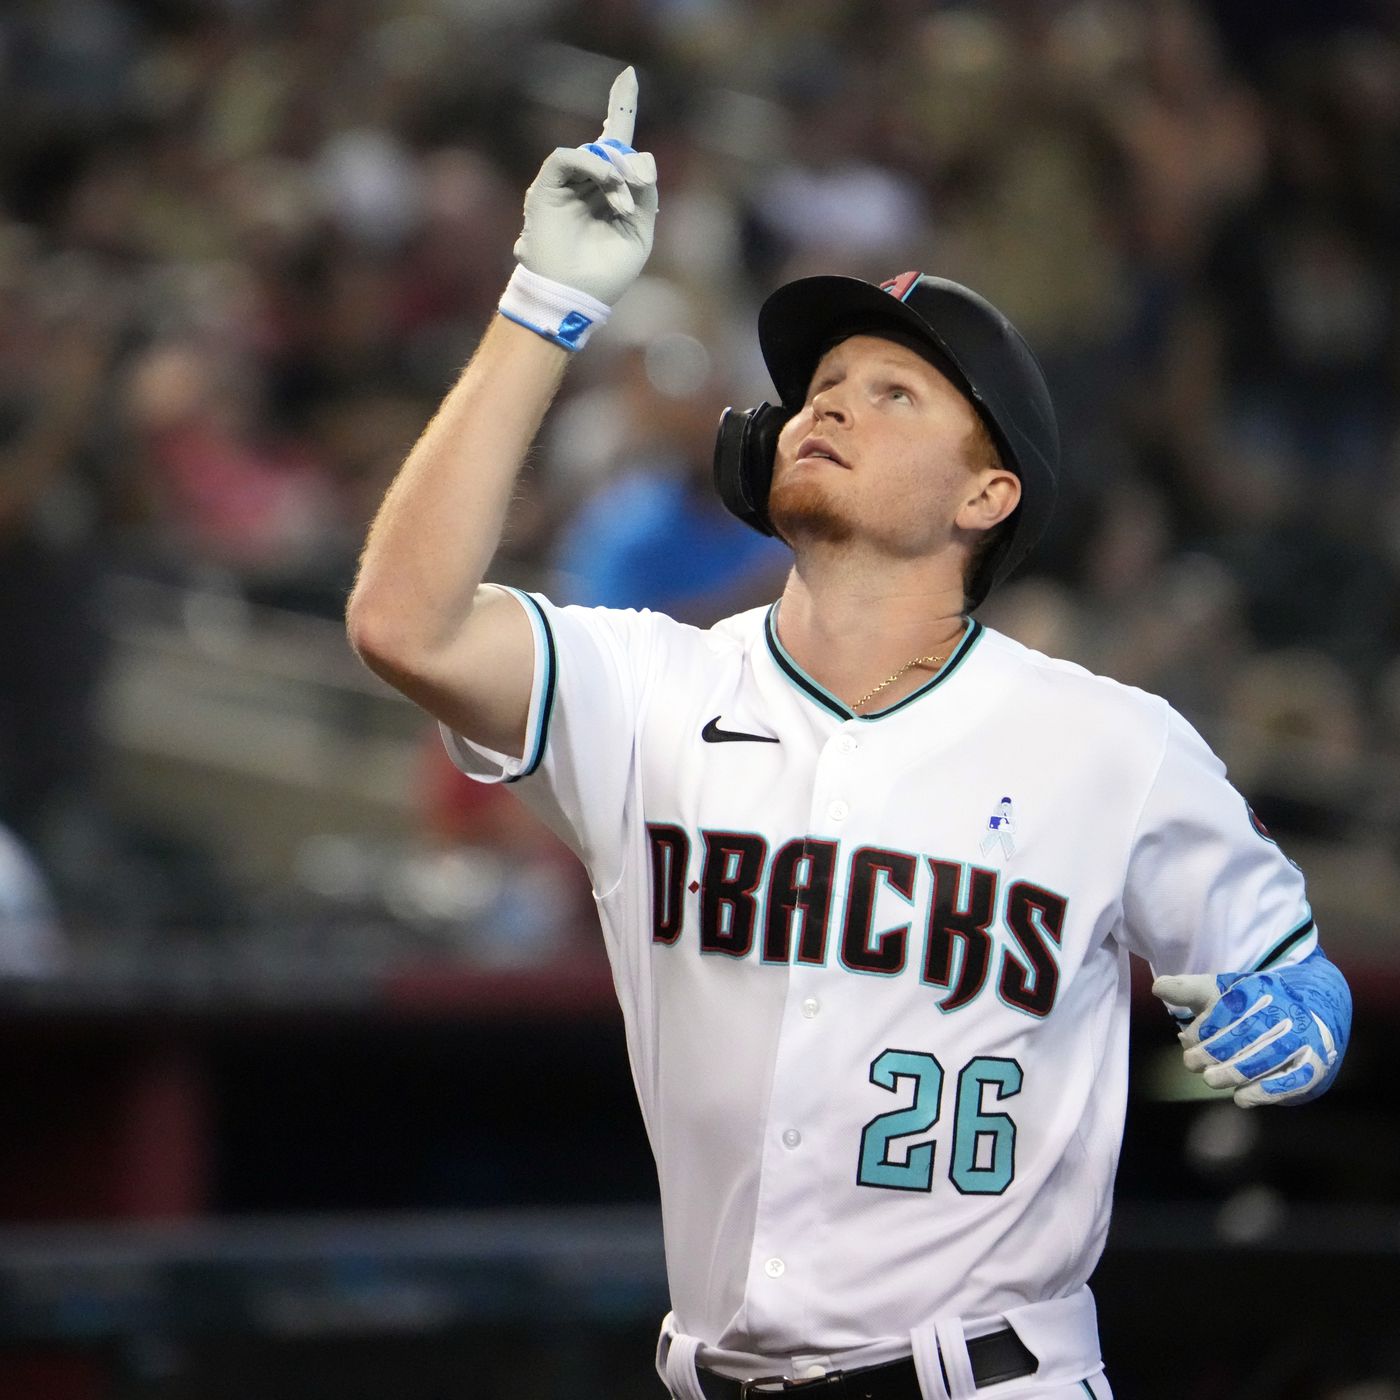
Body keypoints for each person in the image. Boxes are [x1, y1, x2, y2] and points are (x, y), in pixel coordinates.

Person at [347, 70, 1352, 1400]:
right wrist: (542, 305)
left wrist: (1306, 1010)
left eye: (893, 395)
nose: (828, 403)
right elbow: (403, 624)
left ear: (989, 492)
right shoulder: (649, 689)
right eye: (823, 383)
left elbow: (1287, 969)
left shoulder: (1113, 746)